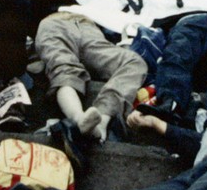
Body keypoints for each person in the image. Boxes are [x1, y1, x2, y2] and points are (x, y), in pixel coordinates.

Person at [35, 12, 147, 142]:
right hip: (54, 22)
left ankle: (100, 123)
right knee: (64, 69)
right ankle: (79, 119)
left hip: (88, 27)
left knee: (134, 62)